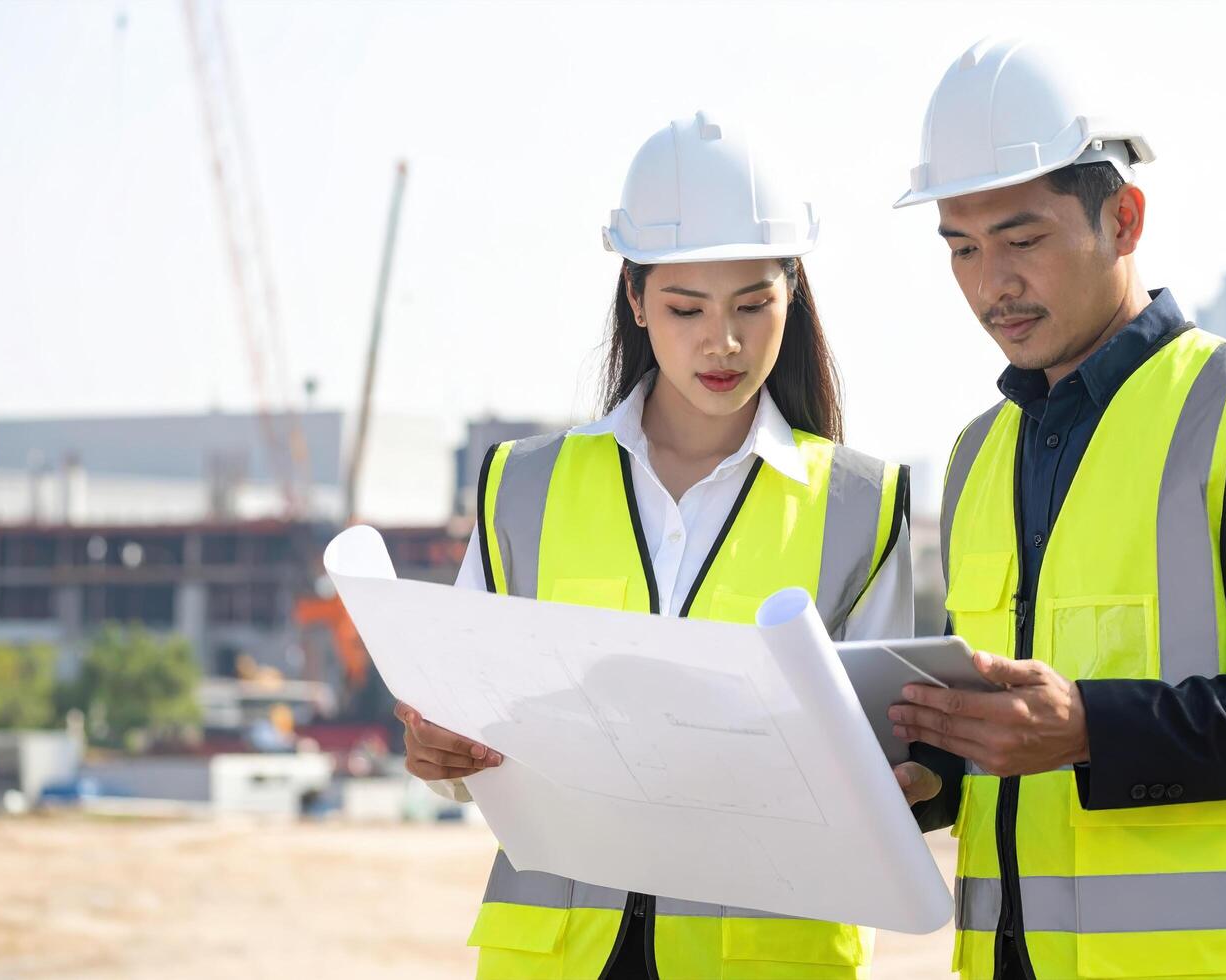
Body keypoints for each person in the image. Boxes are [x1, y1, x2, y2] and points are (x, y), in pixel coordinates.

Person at [885, 39, 1226, 979]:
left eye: (1022, 240)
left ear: (1123, 219)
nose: (989, 283)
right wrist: (925, 776)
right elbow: (1007, 737)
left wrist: (1090, 730)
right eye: (961, 247)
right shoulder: (974, 455)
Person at [396, 111, 937, 979]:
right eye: (686, 308)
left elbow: (885, 754)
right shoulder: (523, 487)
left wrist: (899, 783)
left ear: (791, 295)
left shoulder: (862, 505)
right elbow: (462, 742)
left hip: (764, 957)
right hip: (556, 955)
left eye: (752, 305)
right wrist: (436, 755)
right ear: (636, 300)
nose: (721, 342)